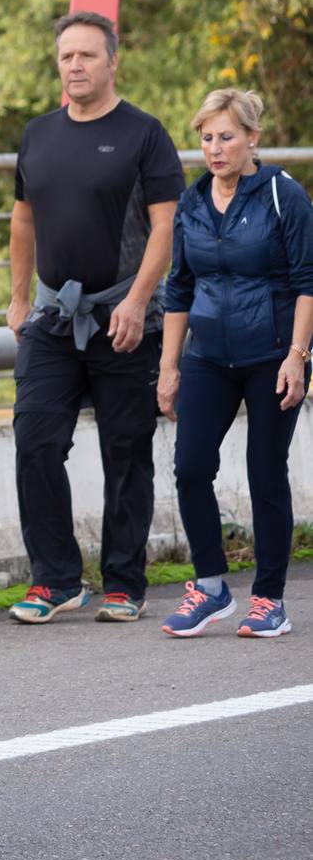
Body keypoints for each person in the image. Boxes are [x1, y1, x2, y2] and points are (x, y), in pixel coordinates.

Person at [3, 10, 184, 625]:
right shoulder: (38, 134)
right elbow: (23, 218)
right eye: (66, 57)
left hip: (124, 317)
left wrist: (137, 301)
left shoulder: (144, 134)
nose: (75, 66)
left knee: (126, 451)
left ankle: (123, 582)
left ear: (112, 61)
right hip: (53, 320)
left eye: (86, 55)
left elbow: (167, 224)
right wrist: (19, 297)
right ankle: (54, 580)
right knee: (35, 439)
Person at [156, 88, 312, 639]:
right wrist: (170, 366)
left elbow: (307, 282)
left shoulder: (281, 196)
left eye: (226, 137)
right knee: (191, 467)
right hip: (207, 357)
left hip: (272, 355)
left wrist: (297, 356)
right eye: (206, 138)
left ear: (252, 139)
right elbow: (178, 288)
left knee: (265, 473)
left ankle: (269, 599)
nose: (215, 149)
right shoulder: (193, 202)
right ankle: (211, 586)